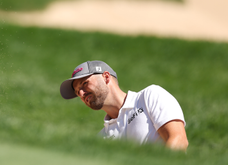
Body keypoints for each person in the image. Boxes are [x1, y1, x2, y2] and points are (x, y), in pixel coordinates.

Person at [60, 60, 189, 151]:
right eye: (77, 92)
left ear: (106, 77)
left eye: (84, 83)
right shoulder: (102, 139)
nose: (81, 93)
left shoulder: (150, 96)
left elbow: (179, 141)